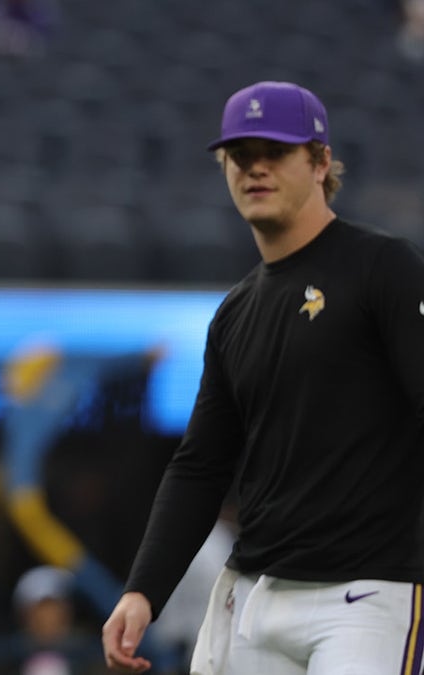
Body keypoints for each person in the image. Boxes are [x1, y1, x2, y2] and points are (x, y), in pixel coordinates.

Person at [101, 80, 424, 674]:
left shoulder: (384, 268)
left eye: (274, 152)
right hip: (251, 596)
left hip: (366, 594)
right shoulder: (235, 312)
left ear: (321, 161)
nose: (255, 168)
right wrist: (143, 589)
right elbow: (200, 465)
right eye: (240, 156)